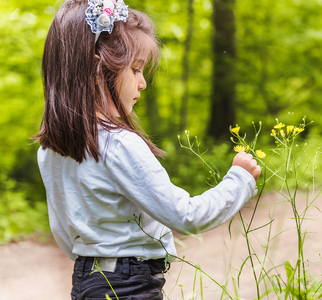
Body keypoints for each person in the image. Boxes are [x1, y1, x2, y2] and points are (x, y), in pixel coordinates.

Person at [33, 0, 261, 299]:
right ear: (98, 69)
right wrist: (239, 180)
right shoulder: (119, 144)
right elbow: (186, 215)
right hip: (129, 286)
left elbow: (65, 233)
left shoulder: (51, 148)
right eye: (136, 69)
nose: (142, 83)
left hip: (88, 281)